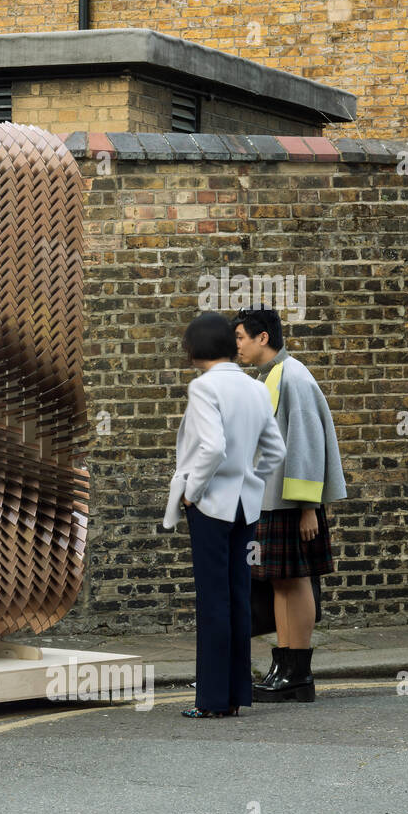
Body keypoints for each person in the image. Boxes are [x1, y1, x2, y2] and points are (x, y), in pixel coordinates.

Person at [166, 313, 285, 718]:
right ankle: (235, 696)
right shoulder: (254, 387)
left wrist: (193, 494)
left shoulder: (203, 388)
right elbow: (276, 452)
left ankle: (213, 701)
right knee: (237, 598)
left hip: (212, 507)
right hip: (245, 507)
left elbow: (212, 448)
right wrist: (251, 479)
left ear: (196, 348)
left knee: (212, 601)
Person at [233, 305, 346, 702]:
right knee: (280, 582)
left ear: (263, 337)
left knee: (296, 582)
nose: (238, 346)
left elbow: (306, 444)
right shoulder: (272, 376)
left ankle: (298, 674)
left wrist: (308, 507)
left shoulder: (293, 377)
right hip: (274, 502)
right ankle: (284, 669)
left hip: (292, 505)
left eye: (241, 338)